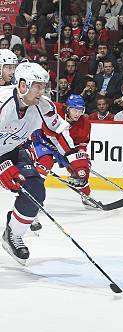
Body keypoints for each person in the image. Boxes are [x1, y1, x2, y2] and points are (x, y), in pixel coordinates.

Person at [0, 62, 84, 264]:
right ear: (22, 85)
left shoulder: (43, 106)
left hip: (12, 150)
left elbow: (58, 133)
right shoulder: (2, 101)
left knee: (35, 190)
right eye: (37, 86)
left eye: (43, 86)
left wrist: (76, 161)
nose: (42, 91)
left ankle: (14, 234)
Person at [29, 95, 96, 231]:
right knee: (43, 167)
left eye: (80, 110)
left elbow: (81, 146)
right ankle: (35, 201)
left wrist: (81, 161)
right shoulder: (55, 109)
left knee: (79, 169)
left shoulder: (85, 124)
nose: (77, 114)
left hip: (65, 148)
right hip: (43, 142)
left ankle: (86, 195)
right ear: (67, 109)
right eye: (74, 110)